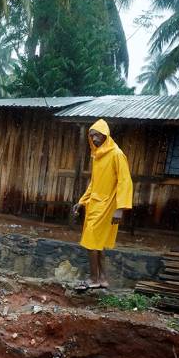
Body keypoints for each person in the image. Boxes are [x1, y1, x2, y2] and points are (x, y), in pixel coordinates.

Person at [71, 119, 133, 288]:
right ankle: (103, 279)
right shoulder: (97, 156)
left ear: (105, 134)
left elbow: (125, 181)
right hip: (95, 205)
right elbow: (94, 183)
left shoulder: (117, 154)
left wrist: (120, 208)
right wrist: (82, 202)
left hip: (107, 206)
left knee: (91, 241)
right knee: (97, 244)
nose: (94, 139)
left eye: (97, 135)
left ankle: (93, 279)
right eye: (91, 136)